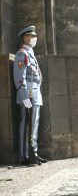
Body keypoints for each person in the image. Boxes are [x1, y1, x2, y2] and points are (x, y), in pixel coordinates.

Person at [13, 25, 47, 166]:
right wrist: (24, 97)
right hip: (29, 95)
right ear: (26, 38)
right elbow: (19, 77)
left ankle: (34, 152)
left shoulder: (30, 53)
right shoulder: (22, 54)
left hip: (35, 93)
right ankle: (25, 156)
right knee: (27, 125)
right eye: (33, 36)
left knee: (34, 125)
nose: (35, 38)